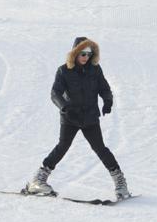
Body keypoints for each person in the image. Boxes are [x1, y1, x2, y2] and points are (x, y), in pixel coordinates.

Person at [24, 37, 130, 201]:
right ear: (75, 53)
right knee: (62, 146)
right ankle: (38, 181)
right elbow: (55, 93)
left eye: (89, 53)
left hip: (89, 117)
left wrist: (107, 101)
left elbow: (104, 87)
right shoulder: (64, 70)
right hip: (70, 116)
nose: (86, 57)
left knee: (100, 148)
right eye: (82, 53)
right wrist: (64, 107)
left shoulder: (95, 69)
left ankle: (121, 183)